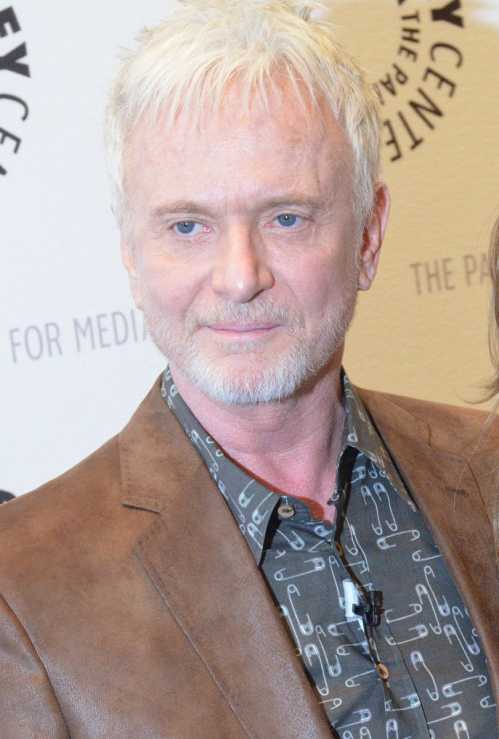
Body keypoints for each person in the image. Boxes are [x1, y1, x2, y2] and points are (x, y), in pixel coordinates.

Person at [0, 2, 497, 736]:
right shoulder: (24, 589)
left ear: (367, 235)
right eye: (187, 226)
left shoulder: (486, 470)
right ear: (132, 258)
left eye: (285, 218)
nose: (238, 276)